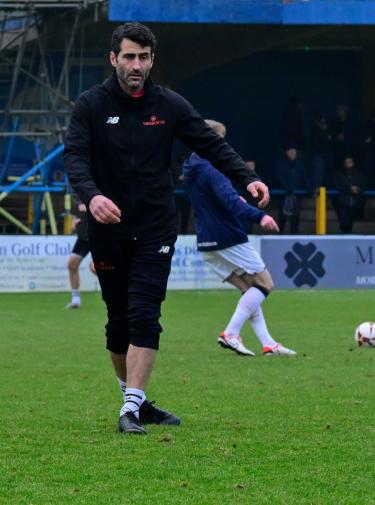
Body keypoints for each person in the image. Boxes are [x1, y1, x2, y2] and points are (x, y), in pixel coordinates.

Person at [64, 22, 270, 435]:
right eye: (128, 57)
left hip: (156, 228)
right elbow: (74, 158)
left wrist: (244, 177)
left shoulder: (169, 105)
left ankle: (130, 409)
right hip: (107, 230)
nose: (136, 65)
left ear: (152, 59)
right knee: (118, 321)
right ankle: (134, 400)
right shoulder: (90, 105)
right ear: (113, 59)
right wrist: (92, 195)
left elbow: (211, 144)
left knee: (144, 315)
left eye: (143, 57)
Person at [183, 119, 297, 357]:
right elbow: (229, 200)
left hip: (206, 240)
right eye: (220, 140)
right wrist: (259, 216)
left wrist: (235, 199)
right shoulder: (211, 166)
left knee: (250, 290)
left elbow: (217, 198)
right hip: (227, 236)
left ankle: (268, 344)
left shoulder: (192, 165)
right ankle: (230, 333)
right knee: (265, 284)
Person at [65, 200, 94, 309]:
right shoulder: (76, 193)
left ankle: (118, 294)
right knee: (72, 265)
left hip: (97, 234)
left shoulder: (95, 190)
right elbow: (79, 212)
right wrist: (76, 220)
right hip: (83, 236)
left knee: (95, 268)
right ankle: (75, 300)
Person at [276, 146, 310, 234]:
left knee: (295, 218)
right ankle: (280, 236)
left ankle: (294, 235)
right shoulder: (281, 164)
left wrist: (310, 189)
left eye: (294, 152)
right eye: (290, 152)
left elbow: (304, 178)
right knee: (282, 218)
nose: (292, 154)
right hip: (284, 195)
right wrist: (287, 188)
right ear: (286, 153)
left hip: (296, 195)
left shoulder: (300, 164)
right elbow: (279, 178)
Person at [333, 155, 366, 234]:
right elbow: (336, 185)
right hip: (343, 202)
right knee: (344, 223)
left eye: (350, 162)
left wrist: (358, 189)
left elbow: (364, 186)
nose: (348, 164)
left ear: (353, 163)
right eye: (346, 162)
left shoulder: (359, 174)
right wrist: (349, 189)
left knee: (351, 224)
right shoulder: (338, 174)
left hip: (355, 203)